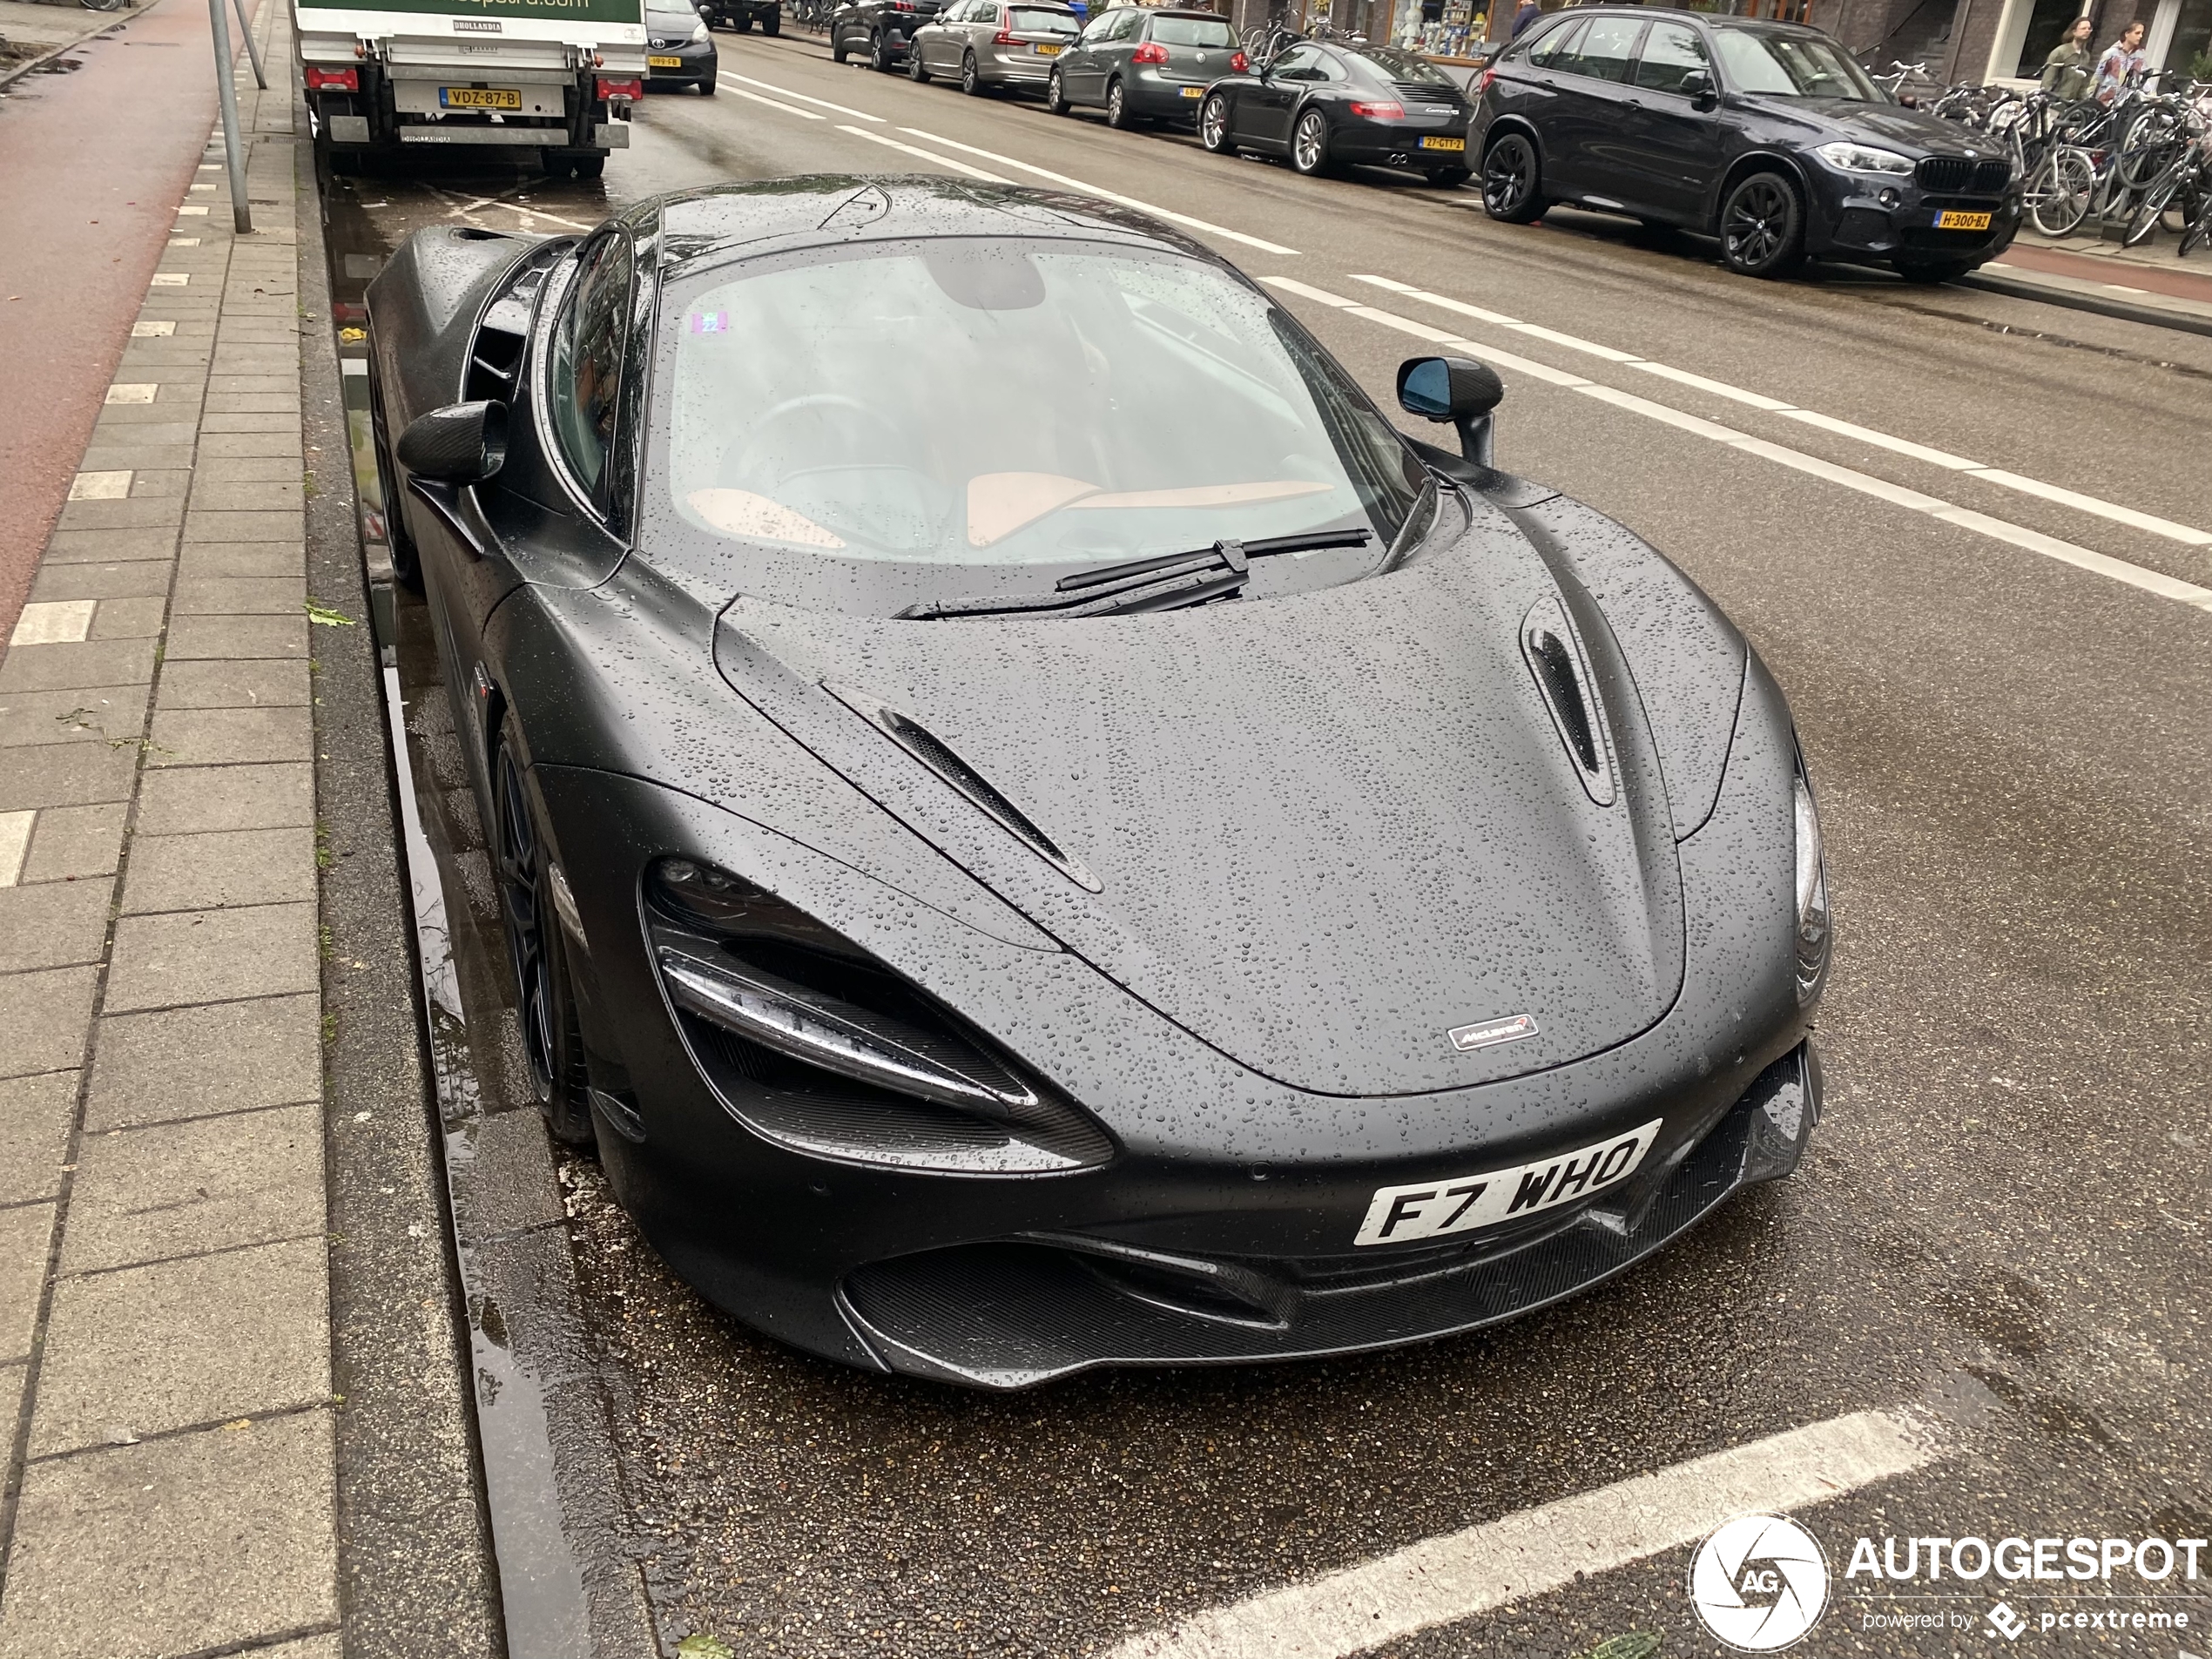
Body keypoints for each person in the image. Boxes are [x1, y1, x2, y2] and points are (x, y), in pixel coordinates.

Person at [2092, 19, 2148, 103]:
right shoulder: (2111, 53)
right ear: (2127, 34)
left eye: (2142, 33)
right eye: (2137, 33)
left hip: (2125, 101)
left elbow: (2142, 76)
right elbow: (2098, 76)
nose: (2140, 36)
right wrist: (2090, 97)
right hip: (2106, 99)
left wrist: (2152, 95)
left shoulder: (2140, 55)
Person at [2040, 15, 2094, 99]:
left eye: (2089, 28)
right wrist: (2047, 99)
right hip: (2056, 101)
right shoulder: (2060, 52)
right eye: (2083, 28)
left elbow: (2083, 83)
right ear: (2074, 32)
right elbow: (2047, 81)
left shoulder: (2085, 56)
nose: (2087, 31)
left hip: (2072, 104)